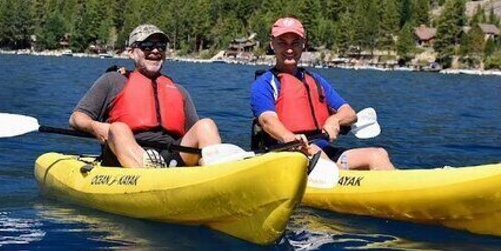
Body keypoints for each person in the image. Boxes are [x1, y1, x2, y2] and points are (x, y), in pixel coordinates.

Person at [250, 17, 394, 170]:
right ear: (272, 44)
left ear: (303, 44)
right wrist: (290, 138)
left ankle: (401, 191)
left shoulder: (315, 81)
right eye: (282, 43)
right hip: (285, 153)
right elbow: (267, 121)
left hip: (323, 151)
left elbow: (350, 113)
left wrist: (335, 120)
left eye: (295, 43)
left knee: (379, 154)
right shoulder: (265, 83)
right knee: (317, 153)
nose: (289, 49)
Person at [70, 24, 221, 168]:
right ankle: (148, 172)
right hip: (125, 153)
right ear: (131, 52)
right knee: (118, 129)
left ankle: (220, 172)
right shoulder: (113, 80)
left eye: (161, 46)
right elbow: (76, 118)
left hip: (170, 155)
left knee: (206, 126)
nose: (155, 50)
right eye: (147, 46)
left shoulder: (179, 91)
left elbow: (194, 133)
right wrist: (96, 127)